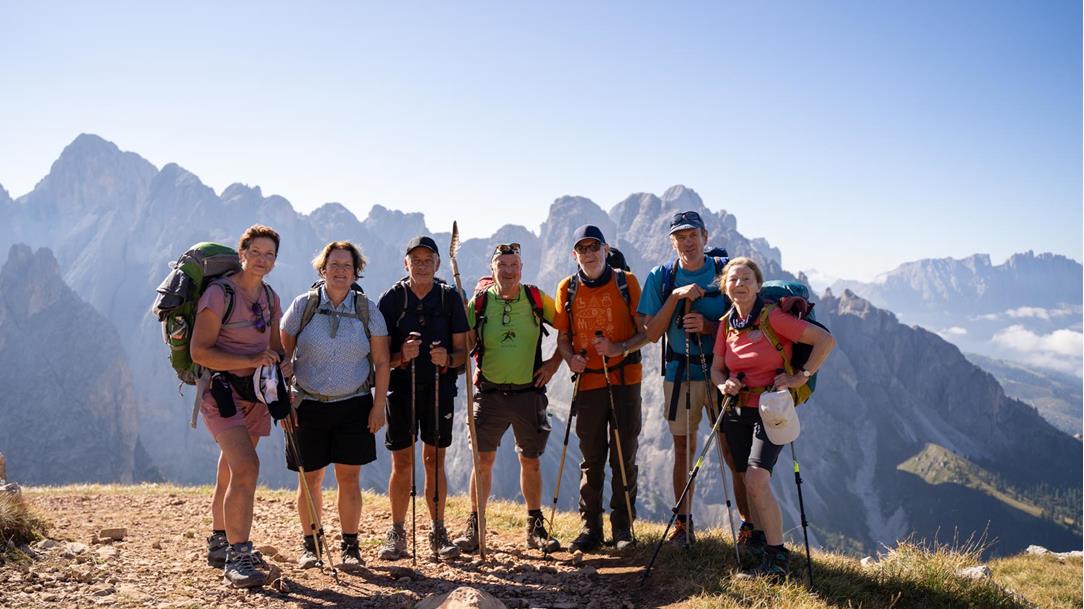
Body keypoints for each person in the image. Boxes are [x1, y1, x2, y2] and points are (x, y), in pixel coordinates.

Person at [710, 257, 835, 579]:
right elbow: (716, 368)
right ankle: (761, 541)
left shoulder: (773, 318)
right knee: (744, 476)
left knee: (756, 479)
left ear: (758, 285)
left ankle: (777, 559)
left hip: (771, 411)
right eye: (733, 279)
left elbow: (825, 340)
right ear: (725, 286)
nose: (739, 284)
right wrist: (723, 383)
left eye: (746, 279)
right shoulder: (726, 324)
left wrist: (801, 376)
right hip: (737, 408)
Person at [637, 210, 747, 547]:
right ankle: (683, 524)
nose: (687, 242)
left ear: (705, 237)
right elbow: (651, 332)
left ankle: (750, 526)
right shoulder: (662, 277)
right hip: (679, 373)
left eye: (693, 235)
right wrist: (675, 297)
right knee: (683, 448)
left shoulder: (726, 274)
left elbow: (747, 321)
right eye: (680, 237)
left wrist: (710, 327)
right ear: (673, 242)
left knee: (732, 449)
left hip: (722, 375)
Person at [280, 241, 390, 568]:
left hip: (354, 405)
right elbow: (282, 356)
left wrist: (378, 405)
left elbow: (382, 362)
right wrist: (282, 400)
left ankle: (350, 546)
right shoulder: (303, 306)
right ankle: (311, 545)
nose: (340, 271)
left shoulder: (368, 310)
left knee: (349, 478)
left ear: (357, 272)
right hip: (307, 404)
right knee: (310, 478)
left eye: (347, 265)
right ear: (322, 269)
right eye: (334, 264)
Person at [191, 224, 288, 588]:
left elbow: (276, 346)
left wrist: (280, 361)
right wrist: (250, 358)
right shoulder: (219, 294)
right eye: (256, 252)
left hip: (256, 395)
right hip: (221, 394)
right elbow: (200, 351)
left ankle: (220, 541)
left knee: (230, 470)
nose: (262, 260)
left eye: (270, 255)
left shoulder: (270, 297)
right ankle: (239, 555)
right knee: (247, 467)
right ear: (242, 252)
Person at [453, 243, 564, 553]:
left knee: (530, 461)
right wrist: (465, 340)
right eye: (502, 265)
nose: (508, 270)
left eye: (513, 264)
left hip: (528, 393)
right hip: (488, 393)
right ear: (493, 270)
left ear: (522, 268)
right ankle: (475, 527)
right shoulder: (478, 303)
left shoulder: (536, 298)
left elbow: (567, 327)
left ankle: (535, 527)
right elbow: (464, 343)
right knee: (482, 460)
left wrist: (554, 363)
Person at [554, 225, 647, 552]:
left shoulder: (626, 282)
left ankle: (622, 529)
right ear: (574, 254)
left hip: (625, 379)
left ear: (606, 249)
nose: (589, 253)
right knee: (591, 457)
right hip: (588, 381)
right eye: (582, 248)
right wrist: (570, 360)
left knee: (624, 455)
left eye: (594, 247)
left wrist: (618, 347)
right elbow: (563, 338)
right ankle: (589, 529)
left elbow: (646, 332)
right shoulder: (567, 288)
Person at [376, 236, 469, 561]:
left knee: (435, 460)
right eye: (415, 259)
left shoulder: (450, 299)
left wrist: (448, 359)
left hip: (439, 389)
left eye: (427, 259)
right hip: (400, 389)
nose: (421, 265)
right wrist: (403, 355)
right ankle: (398, 531)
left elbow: (463, 352)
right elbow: (378, 355)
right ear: (406, 263)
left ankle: (438, 530)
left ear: (438, 264)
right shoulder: (391, 299)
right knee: (401, 462)